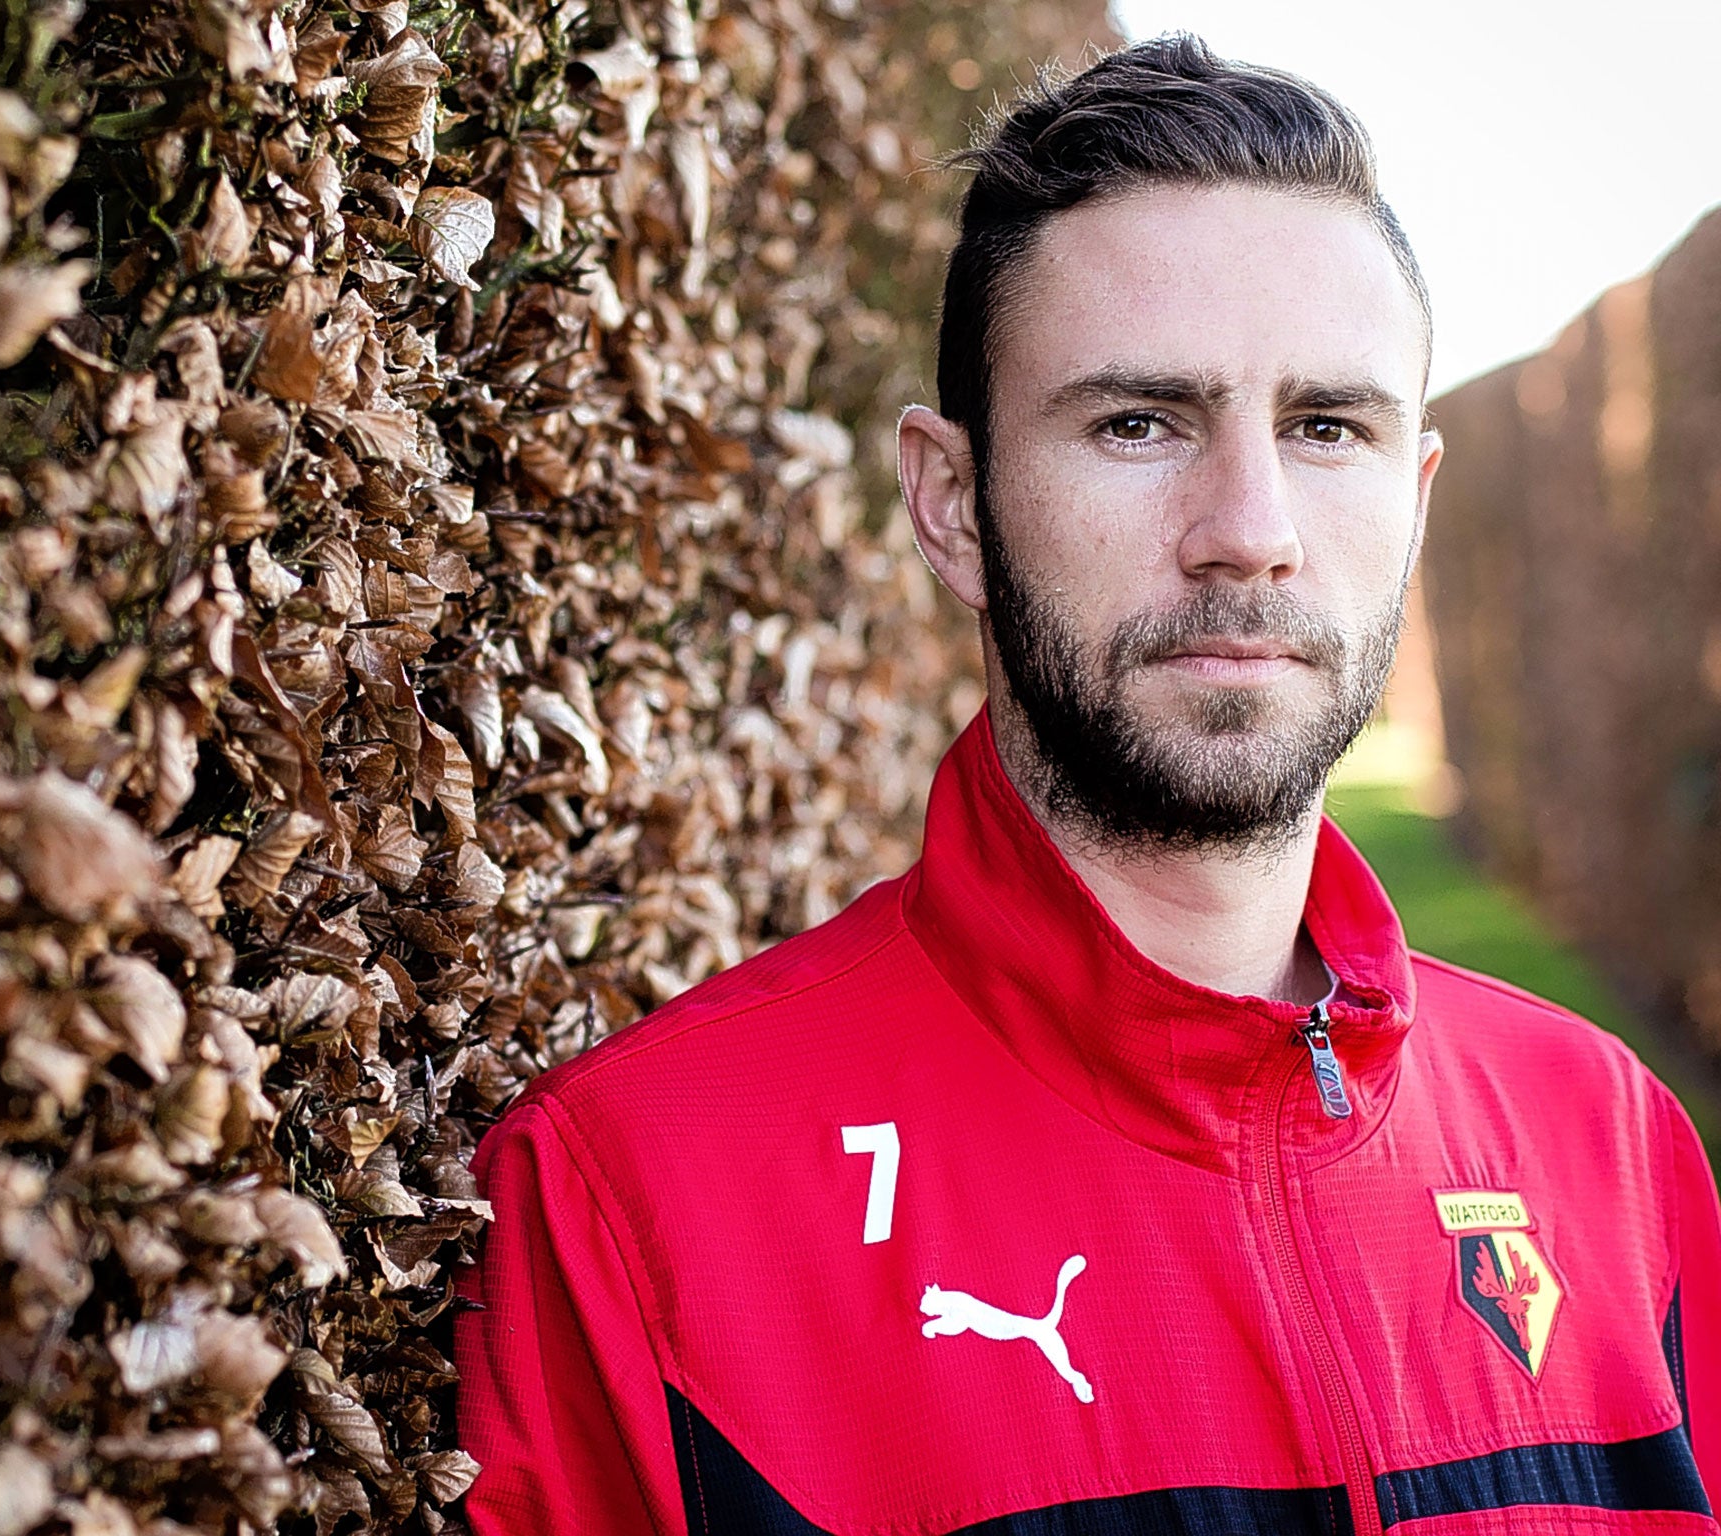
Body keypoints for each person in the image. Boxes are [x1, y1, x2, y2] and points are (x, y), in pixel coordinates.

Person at [454, 35, 1721, 1536]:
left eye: (1328, 428)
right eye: (1139, 423)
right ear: (951, 506)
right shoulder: (639, 1211)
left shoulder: (1614, 1150)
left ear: (1417, 499)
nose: (1249, 530)